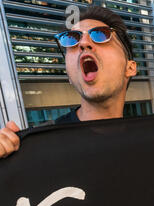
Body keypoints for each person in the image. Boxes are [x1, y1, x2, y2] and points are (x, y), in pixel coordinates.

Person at [0, 5, 137, 156]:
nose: (84, 43)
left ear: (129, 68)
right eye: (72, 39)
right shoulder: (40, 150)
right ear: (70, 76)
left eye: (100, 34)